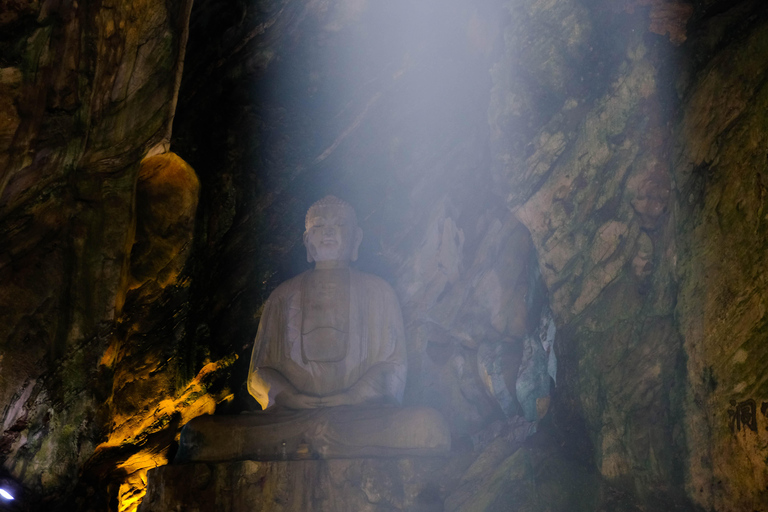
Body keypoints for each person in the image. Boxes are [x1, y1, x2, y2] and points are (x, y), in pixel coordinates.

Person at [175, 196, 449, 463]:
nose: (328, 231)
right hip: (289, 418)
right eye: (318, 226)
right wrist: (290, 397)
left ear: (356, 239)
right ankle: (318, 439)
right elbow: (259, 373)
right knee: (196, 436)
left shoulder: (378, 292)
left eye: (339, 225)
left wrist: (351, 397)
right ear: (307, 242)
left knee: (427, 428)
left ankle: (314, 439)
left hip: (357, 415)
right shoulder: (283, 296)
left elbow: (393, 366)